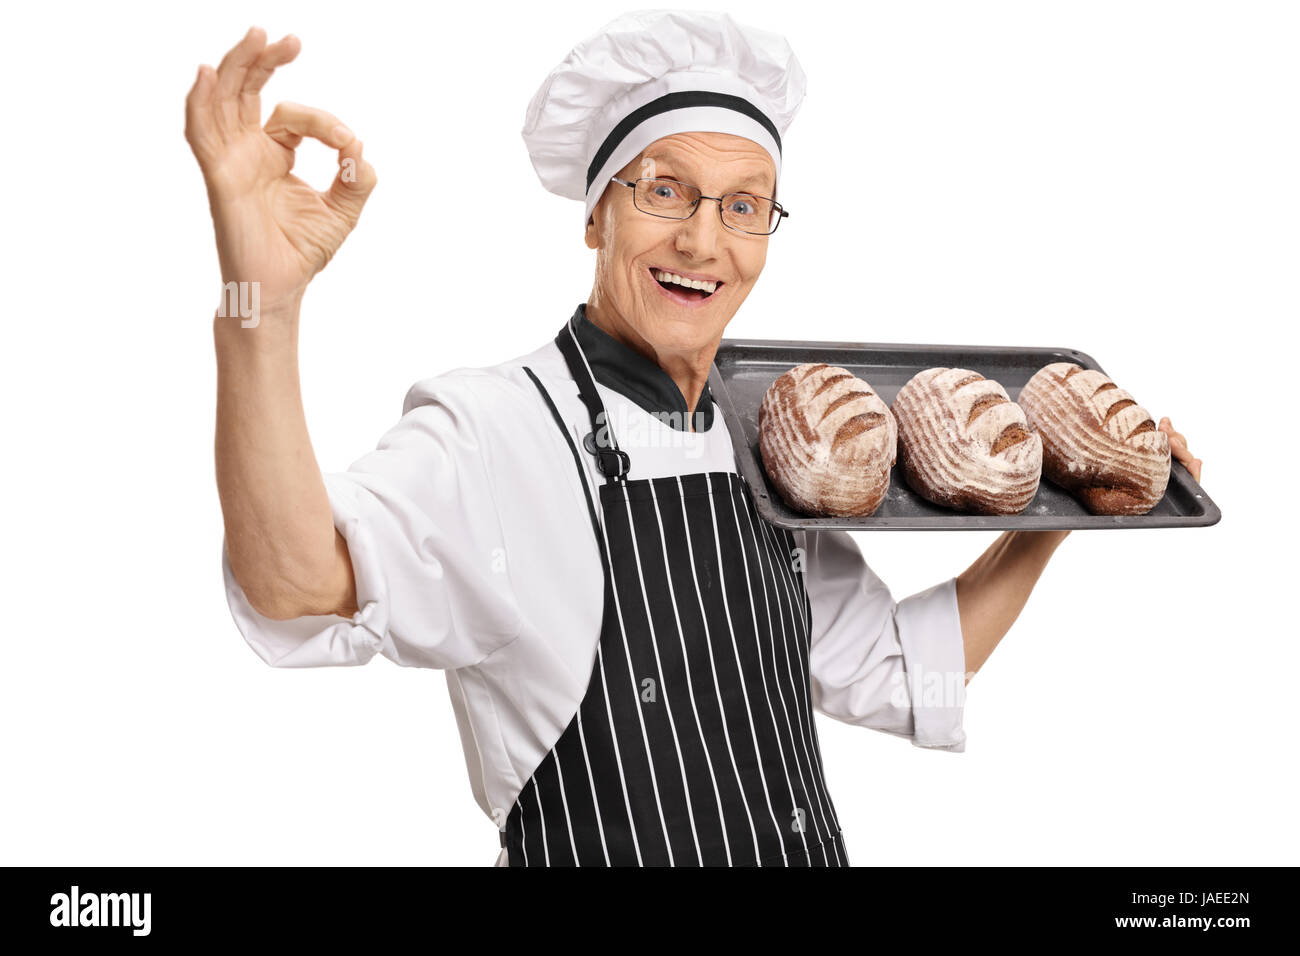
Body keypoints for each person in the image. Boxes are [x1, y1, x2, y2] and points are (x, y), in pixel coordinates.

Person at [186, 11, 1204, 867]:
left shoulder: (768, 434)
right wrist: (258, 314)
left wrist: (1053, 512)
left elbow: (896, 672)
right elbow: (293, 580)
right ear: (596, 216)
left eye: (743, 206)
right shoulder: (490, 428)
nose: (703, 240)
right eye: (663, 190)